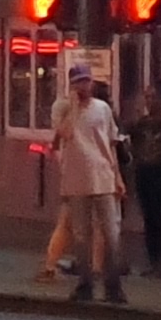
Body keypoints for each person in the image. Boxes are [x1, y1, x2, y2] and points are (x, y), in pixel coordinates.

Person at [52, 68, 128, 305]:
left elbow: (110, 144)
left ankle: (113, 287)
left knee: (110, 234)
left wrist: (117, 176)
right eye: (78, 83)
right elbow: (65, 133)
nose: (84, 87)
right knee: (81, 236)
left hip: (103, 176)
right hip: (75, 180)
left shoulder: (102, 109)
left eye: (87, 82)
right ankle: (84, 284)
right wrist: (73, 108)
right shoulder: (62, 108)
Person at [124, 88, 161, 276]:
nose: (149, 102)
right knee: (148, 217)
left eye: (153, 98)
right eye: (147, 98)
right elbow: (128, 138)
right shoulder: (141, 124)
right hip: (143, 170)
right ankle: (153, 261)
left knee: (158, 216)